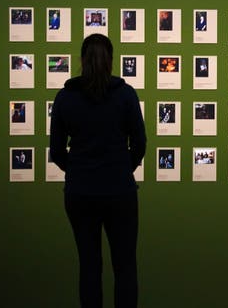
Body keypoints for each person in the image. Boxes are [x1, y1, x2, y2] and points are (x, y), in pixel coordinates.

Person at [50, 34, 146, 308]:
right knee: (125, 266)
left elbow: (56, 151)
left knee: (89, 266)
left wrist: (78, 170)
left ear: (81, 60)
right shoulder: (125, 95)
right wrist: (122, 170)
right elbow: (140, 143)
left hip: (80, 194)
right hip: (120, 192)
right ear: (111, 61)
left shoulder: (66, 97)